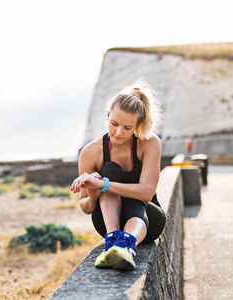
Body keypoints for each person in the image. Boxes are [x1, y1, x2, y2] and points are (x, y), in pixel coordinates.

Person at [71, 79, 166, 270]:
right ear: (108, 116)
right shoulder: (91, 152)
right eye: (114, 123)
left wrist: (103, 185)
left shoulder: (150, 143)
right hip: (107, 221)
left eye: (127, 128)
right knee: (110, 169)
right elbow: (86, 207)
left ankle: (126, 245)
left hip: (147, 220)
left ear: (138, 125)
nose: (118, 132)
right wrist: (93, 194)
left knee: (132, 196)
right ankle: (113, 241)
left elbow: (147, 193)